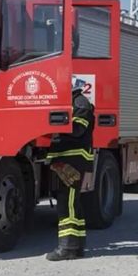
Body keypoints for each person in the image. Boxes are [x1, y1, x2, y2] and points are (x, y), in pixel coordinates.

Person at [45, 85, 95, 261]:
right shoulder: (75, 102)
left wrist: (53, 124)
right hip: (67, 158)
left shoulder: (80, 103)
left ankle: (67, 247)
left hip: (74, 159)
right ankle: (78, 246)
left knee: (68, 204)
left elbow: (78, 129)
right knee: (73, 203)